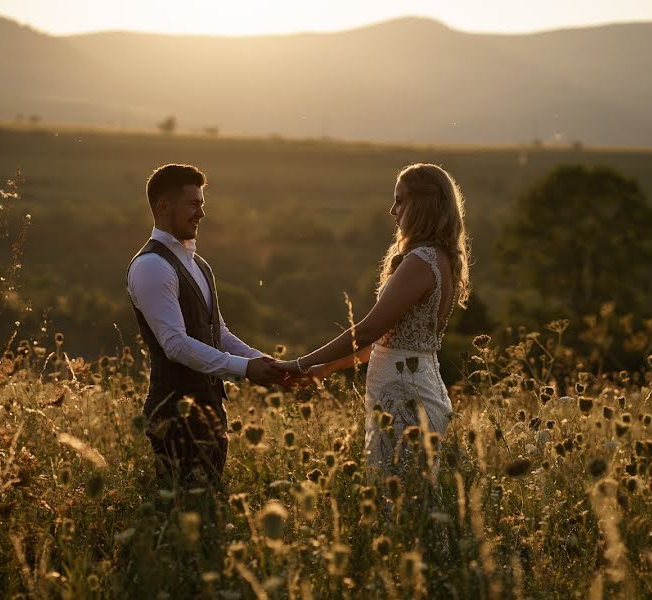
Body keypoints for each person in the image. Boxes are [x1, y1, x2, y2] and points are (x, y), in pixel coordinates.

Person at [276, 163, 471, 474]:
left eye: (399, 200)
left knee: (398, 503)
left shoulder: (421, 261)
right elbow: (385, 343)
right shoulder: (440, 258)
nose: (392, 210)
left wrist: (297, 364)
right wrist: (324, 368)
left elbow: (367, 332)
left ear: (422, 204)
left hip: (405, 397)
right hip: (413, 388)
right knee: (401, 502)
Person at [126, 163, 287, 486]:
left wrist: (264, 364)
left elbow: (219, 334)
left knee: (207, 514)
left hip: (210, 413)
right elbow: (175, 344)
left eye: (202, 204)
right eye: (193, 204)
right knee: (181, 517)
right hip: (172, 417)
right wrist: (244, 369)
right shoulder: (151, 267)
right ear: (163, 206)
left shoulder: (199, 264)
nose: (201, 213)